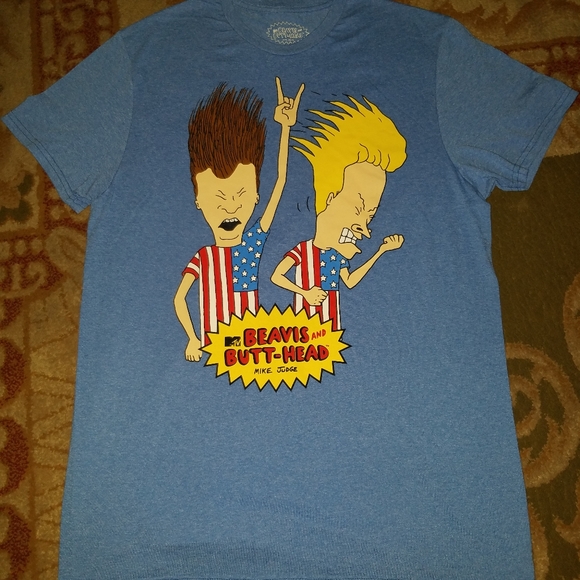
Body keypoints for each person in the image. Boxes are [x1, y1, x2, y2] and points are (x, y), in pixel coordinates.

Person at [174, 77, 304, 360]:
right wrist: (193, 339)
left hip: (249, 350)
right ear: (198, 200)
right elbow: (179, 298)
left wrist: (285, 129)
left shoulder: (252, 244)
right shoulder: (204, 257)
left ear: (256, 196)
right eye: (217, 198)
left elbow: (280, 181)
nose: (230, 208)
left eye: (241, 194)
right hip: (214, 351)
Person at [271, 95, 406, 330]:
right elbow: (276, 276)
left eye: (370, 216)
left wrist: (381, 251)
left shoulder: (337, 257)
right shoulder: (303, 251)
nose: (365, 230)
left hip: (332, 334)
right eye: (357, 208)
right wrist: (304, 292)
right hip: (300, 335)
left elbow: (350, 281)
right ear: (331, 198)